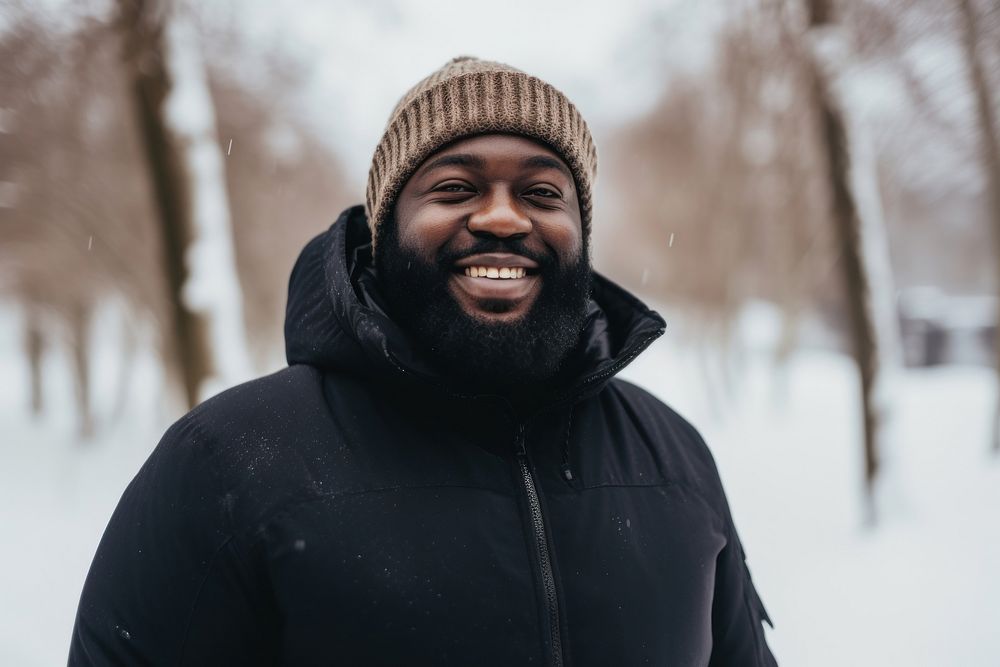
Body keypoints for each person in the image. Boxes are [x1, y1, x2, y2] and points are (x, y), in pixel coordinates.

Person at [69, 56, 776, 666]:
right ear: (385, 233)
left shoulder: (675, 460)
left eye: (541, 192)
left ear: (579, 234)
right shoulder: (229, 458)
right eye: (456, 188)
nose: (504, 217)